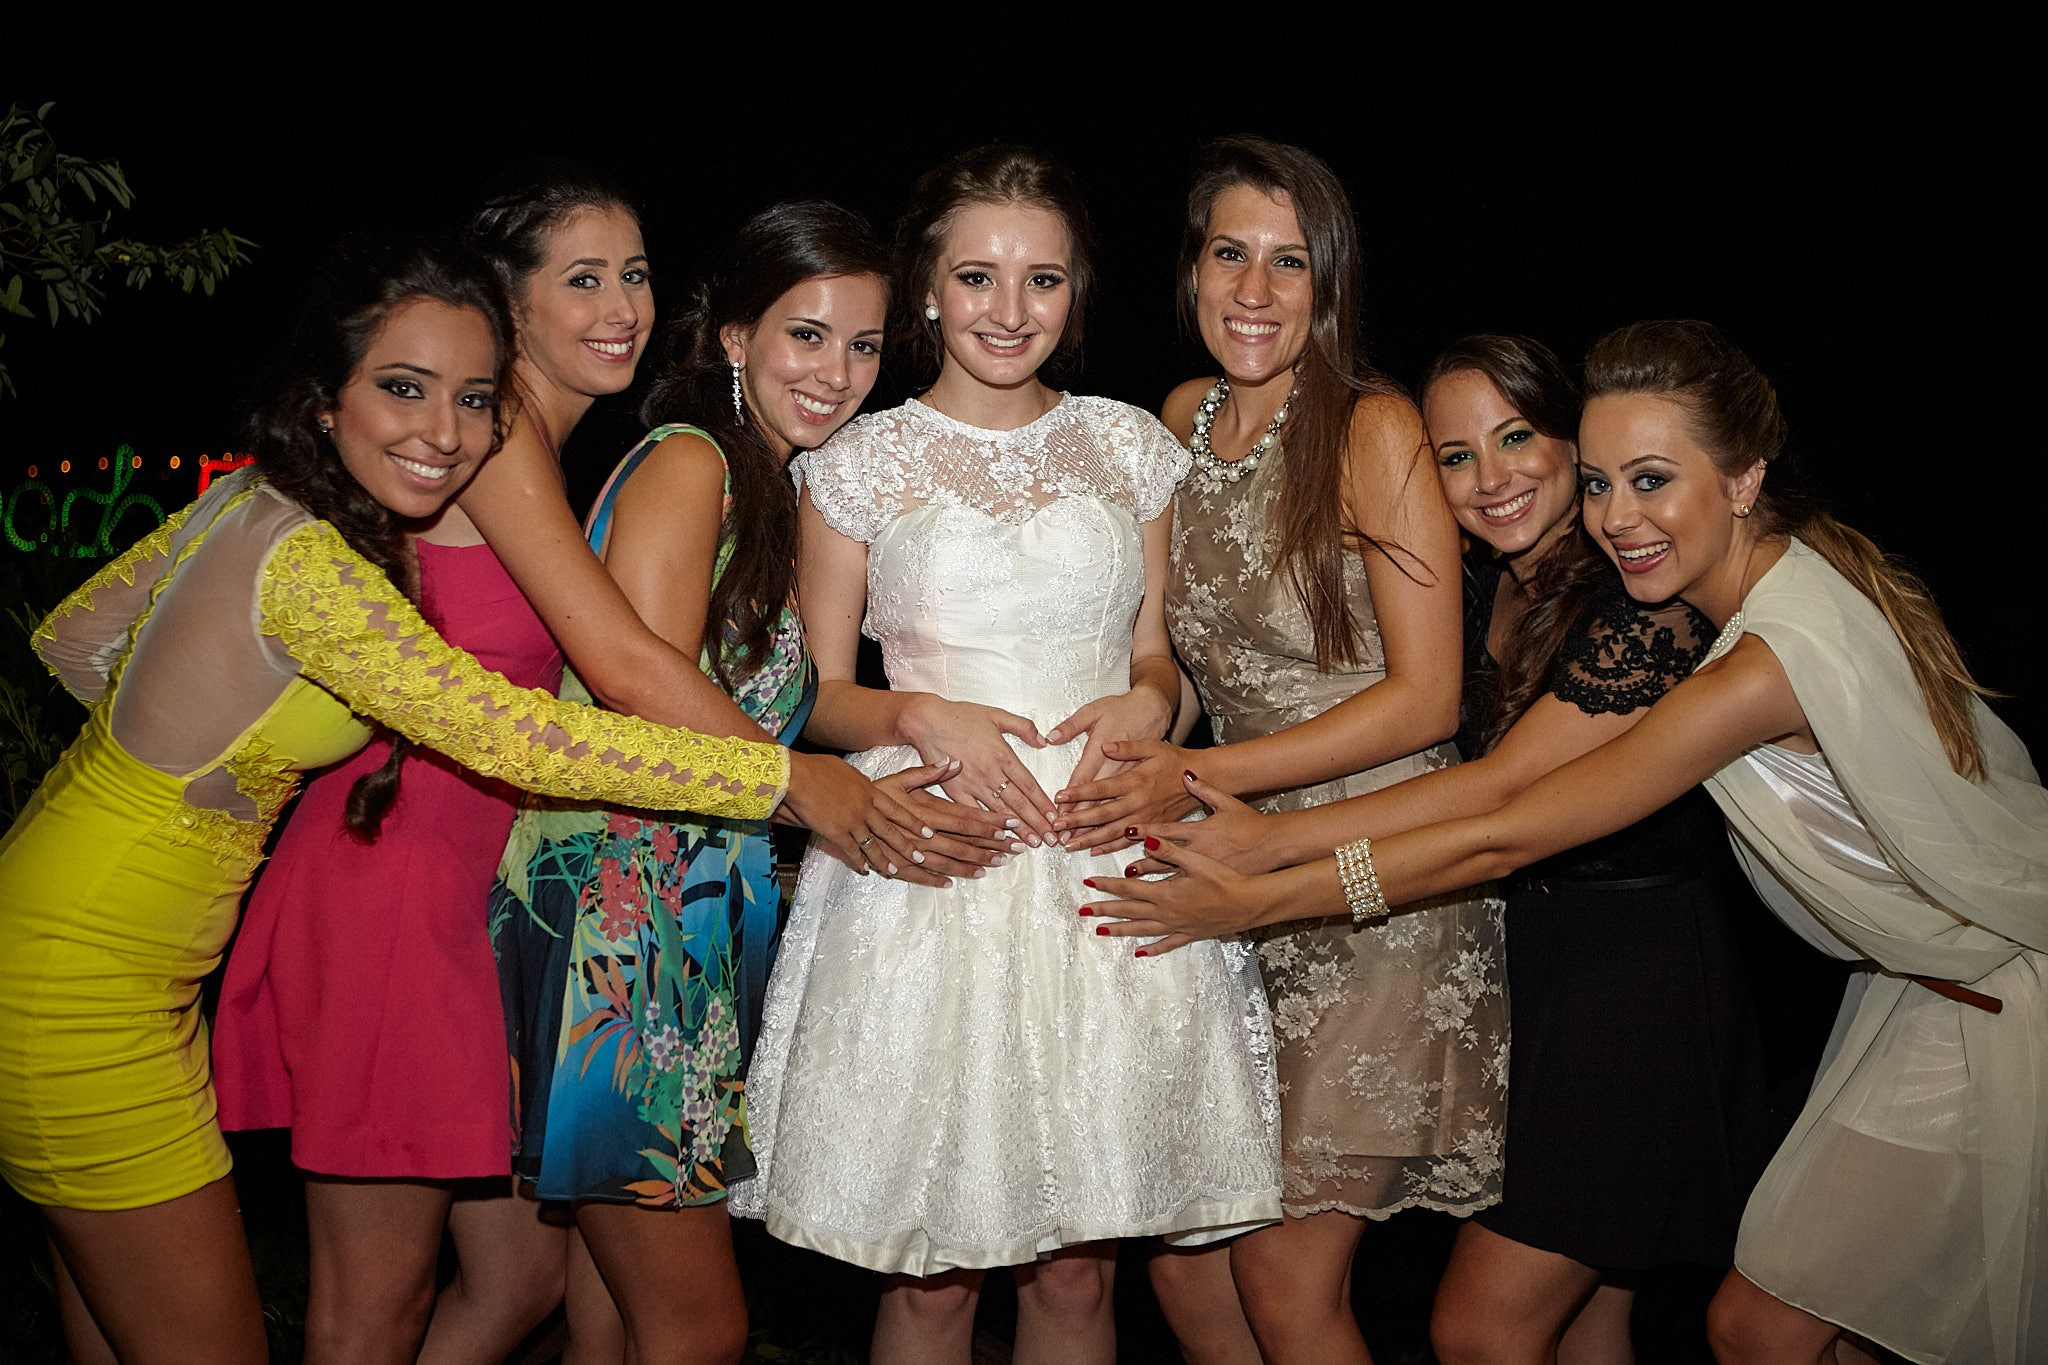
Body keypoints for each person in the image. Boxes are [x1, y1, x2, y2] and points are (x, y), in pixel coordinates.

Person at [1090, 320, 2047, 1365]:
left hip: (1970, 998)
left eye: (1647, 481)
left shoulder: (1738, 658)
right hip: (1907, 985)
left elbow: (1498, 820)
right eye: (1601, 485)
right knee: (1814, 1328)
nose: (1617, 516)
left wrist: (1268, 878)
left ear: (1740, 479)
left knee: (1713, 1327)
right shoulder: (1734, 583)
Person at [0, 237, 795, 1365]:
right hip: (80, 979)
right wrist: (784, 779)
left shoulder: (267, 508)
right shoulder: (311, 559)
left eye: (472, 400)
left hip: (101, 940)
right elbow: (518, 732)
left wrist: (208, 754)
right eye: (402, 389)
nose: (445, 431)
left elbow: (71, 637)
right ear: (322, 401)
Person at [730, 145, 1281, 1365]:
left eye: (1041, 280)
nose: (1008, 309)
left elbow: (1157, 663)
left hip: (1099, 859)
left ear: (1075, 292)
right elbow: (811, 696)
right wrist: (915, 716)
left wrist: (1149, 707)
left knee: (1081, 1274)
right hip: (938, 865)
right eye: (977, 277)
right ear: (926, 288)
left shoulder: (1130, 446)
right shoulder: (858, 462)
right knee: (932, 1271)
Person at [1139, 335, 1775, 1363]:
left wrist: (1265, 853)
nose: (1492, 476)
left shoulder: (1639, 612)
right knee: (1590, 1318)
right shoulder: (1496, 587)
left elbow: (1490, 794)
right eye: (1455, 455)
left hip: (1633, 987)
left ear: (1578, 447)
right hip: (1540, 955)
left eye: (1518, 437)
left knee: (1479, 1328)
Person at [487, 200, 974, 1365]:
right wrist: (806, 785)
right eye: (807, 336)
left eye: (862, 346)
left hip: (693, 920)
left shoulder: (771, 485)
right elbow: (642, 689)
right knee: (702, 1328)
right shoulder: (689, 461)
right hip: (625, 923)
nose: (839, 373)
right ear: (735, 337)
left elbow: (791, 692)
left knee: (607, 1316)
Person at [1053, 136, 1507, 1365]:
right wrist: (1139, 725)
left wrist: (1200, 780)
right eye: (1229, 256)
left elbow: (1427, 702)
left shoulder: (1375, 429)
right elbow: (1183, 667)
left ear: (1330, 283)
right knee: (1191, 1263)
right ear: (1191, 270)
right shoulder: (1177, 422)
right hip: (1234, 870)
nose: (1255, 291)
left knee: (1284, 1276)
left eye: (1288, 263)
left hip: (1377, 874)